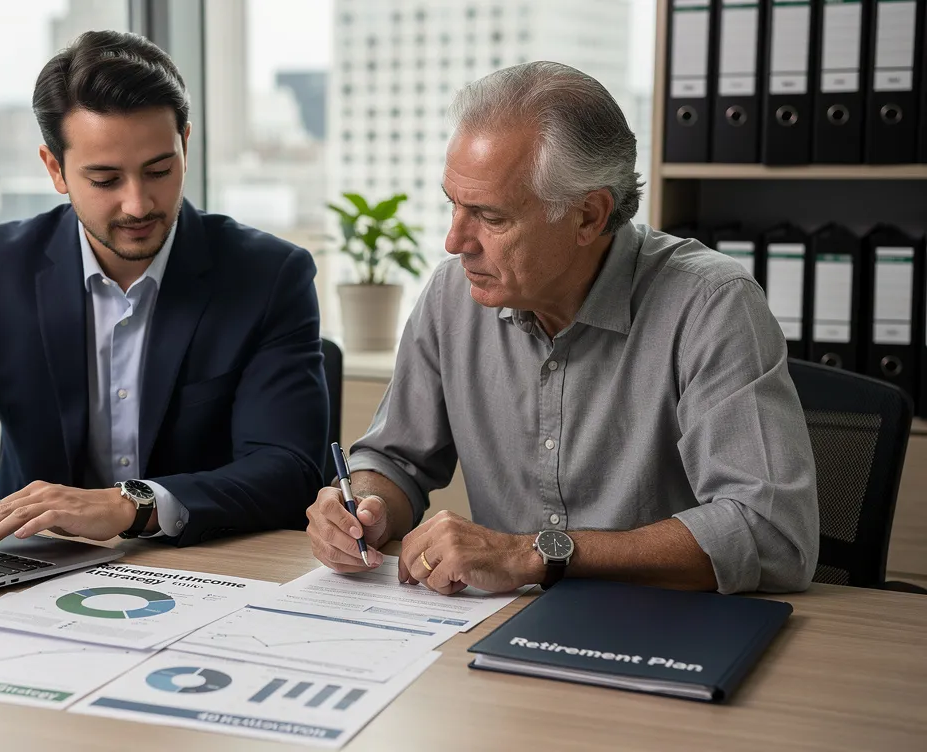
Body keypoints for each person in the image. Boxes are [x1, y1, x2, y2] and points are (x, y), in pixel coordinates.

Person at [306, 61, 818, 595]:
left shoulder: (711, 304)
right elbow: (394, 458)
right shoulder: (451, 295)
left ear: (589, 216)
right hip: (501, 623)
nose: (455, 241)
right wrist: (364, 509)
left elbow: (772, 534)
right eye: (453, 205)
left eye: (492, 217)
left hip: (667, 625)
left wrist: (537, 555)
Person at [0, 30, 328, 550]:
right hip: (29, 560)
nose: (138, 204)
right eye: (105, 179)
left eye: (159, 170)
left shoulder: (269, 275)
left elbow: (287, 468)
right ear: (56, 169)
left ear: (185, 144)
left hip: (206, 567)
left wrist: (131, 505)